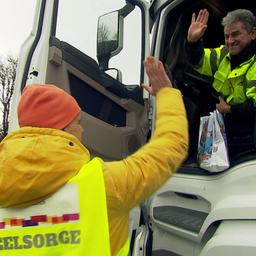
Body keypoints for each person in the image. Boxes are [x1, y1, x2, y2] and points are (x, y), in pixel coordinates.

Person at [0, 56, 188, 255]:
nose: (82, 130)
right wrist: (167, 94)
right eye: (78, 122)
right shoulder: (103, 184)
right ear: (61, 128)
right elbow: (169, 148)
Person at [185, 8, 256, 159]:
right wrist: (193, 42)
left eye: (235, 34)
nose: (230, 41)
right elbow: (198, 61)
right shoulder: (224, 54)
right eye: (227, 36)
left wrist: (229, 109)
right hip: (226, 129)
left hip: (248, 136)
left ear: (253, 33)